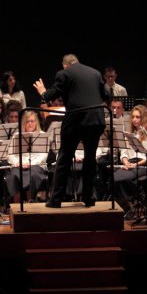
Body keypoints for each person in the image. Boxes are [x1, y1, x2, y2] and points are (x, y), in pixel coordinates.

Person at [34, 53, 109, 208]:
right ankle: (89, 198)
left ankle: (56, 200)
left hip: (75, 119)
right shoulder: (95, 73)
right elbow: (107, 94)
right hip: (95, 119)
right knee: (90, 158)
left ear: (65, 65)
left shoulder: (64, 73)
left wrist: (42, 91)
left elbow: (50, 95)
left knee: (64, 158)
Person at [113, 105, 147, 211]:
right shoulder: (129, 133)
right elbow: (124, 152)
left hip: (142, 165)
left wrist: (136, 164)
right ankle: (126, 204)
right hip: (130, 163)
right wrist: (125, 161)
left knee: (119, 179)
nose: (134, 120)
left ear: (144, 118)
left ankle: (130, 201)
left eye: (137, 117)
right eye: (133, 117)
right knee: (113, 178)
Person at [6, 110, 48, 202]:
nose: (29, 124)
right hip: (19, 164)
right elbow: (10, 154)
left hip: (36, 165)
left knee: (33, 174)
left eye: (32, 121)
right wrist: (19, 162)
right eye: (27, 121)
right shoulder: (17, 135)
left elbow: (43, 156)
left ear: (36, 122)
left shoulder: (43, 135)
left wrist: (29, 163)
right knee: (14, 175)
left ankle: (31, 203)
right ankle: (16, 206)